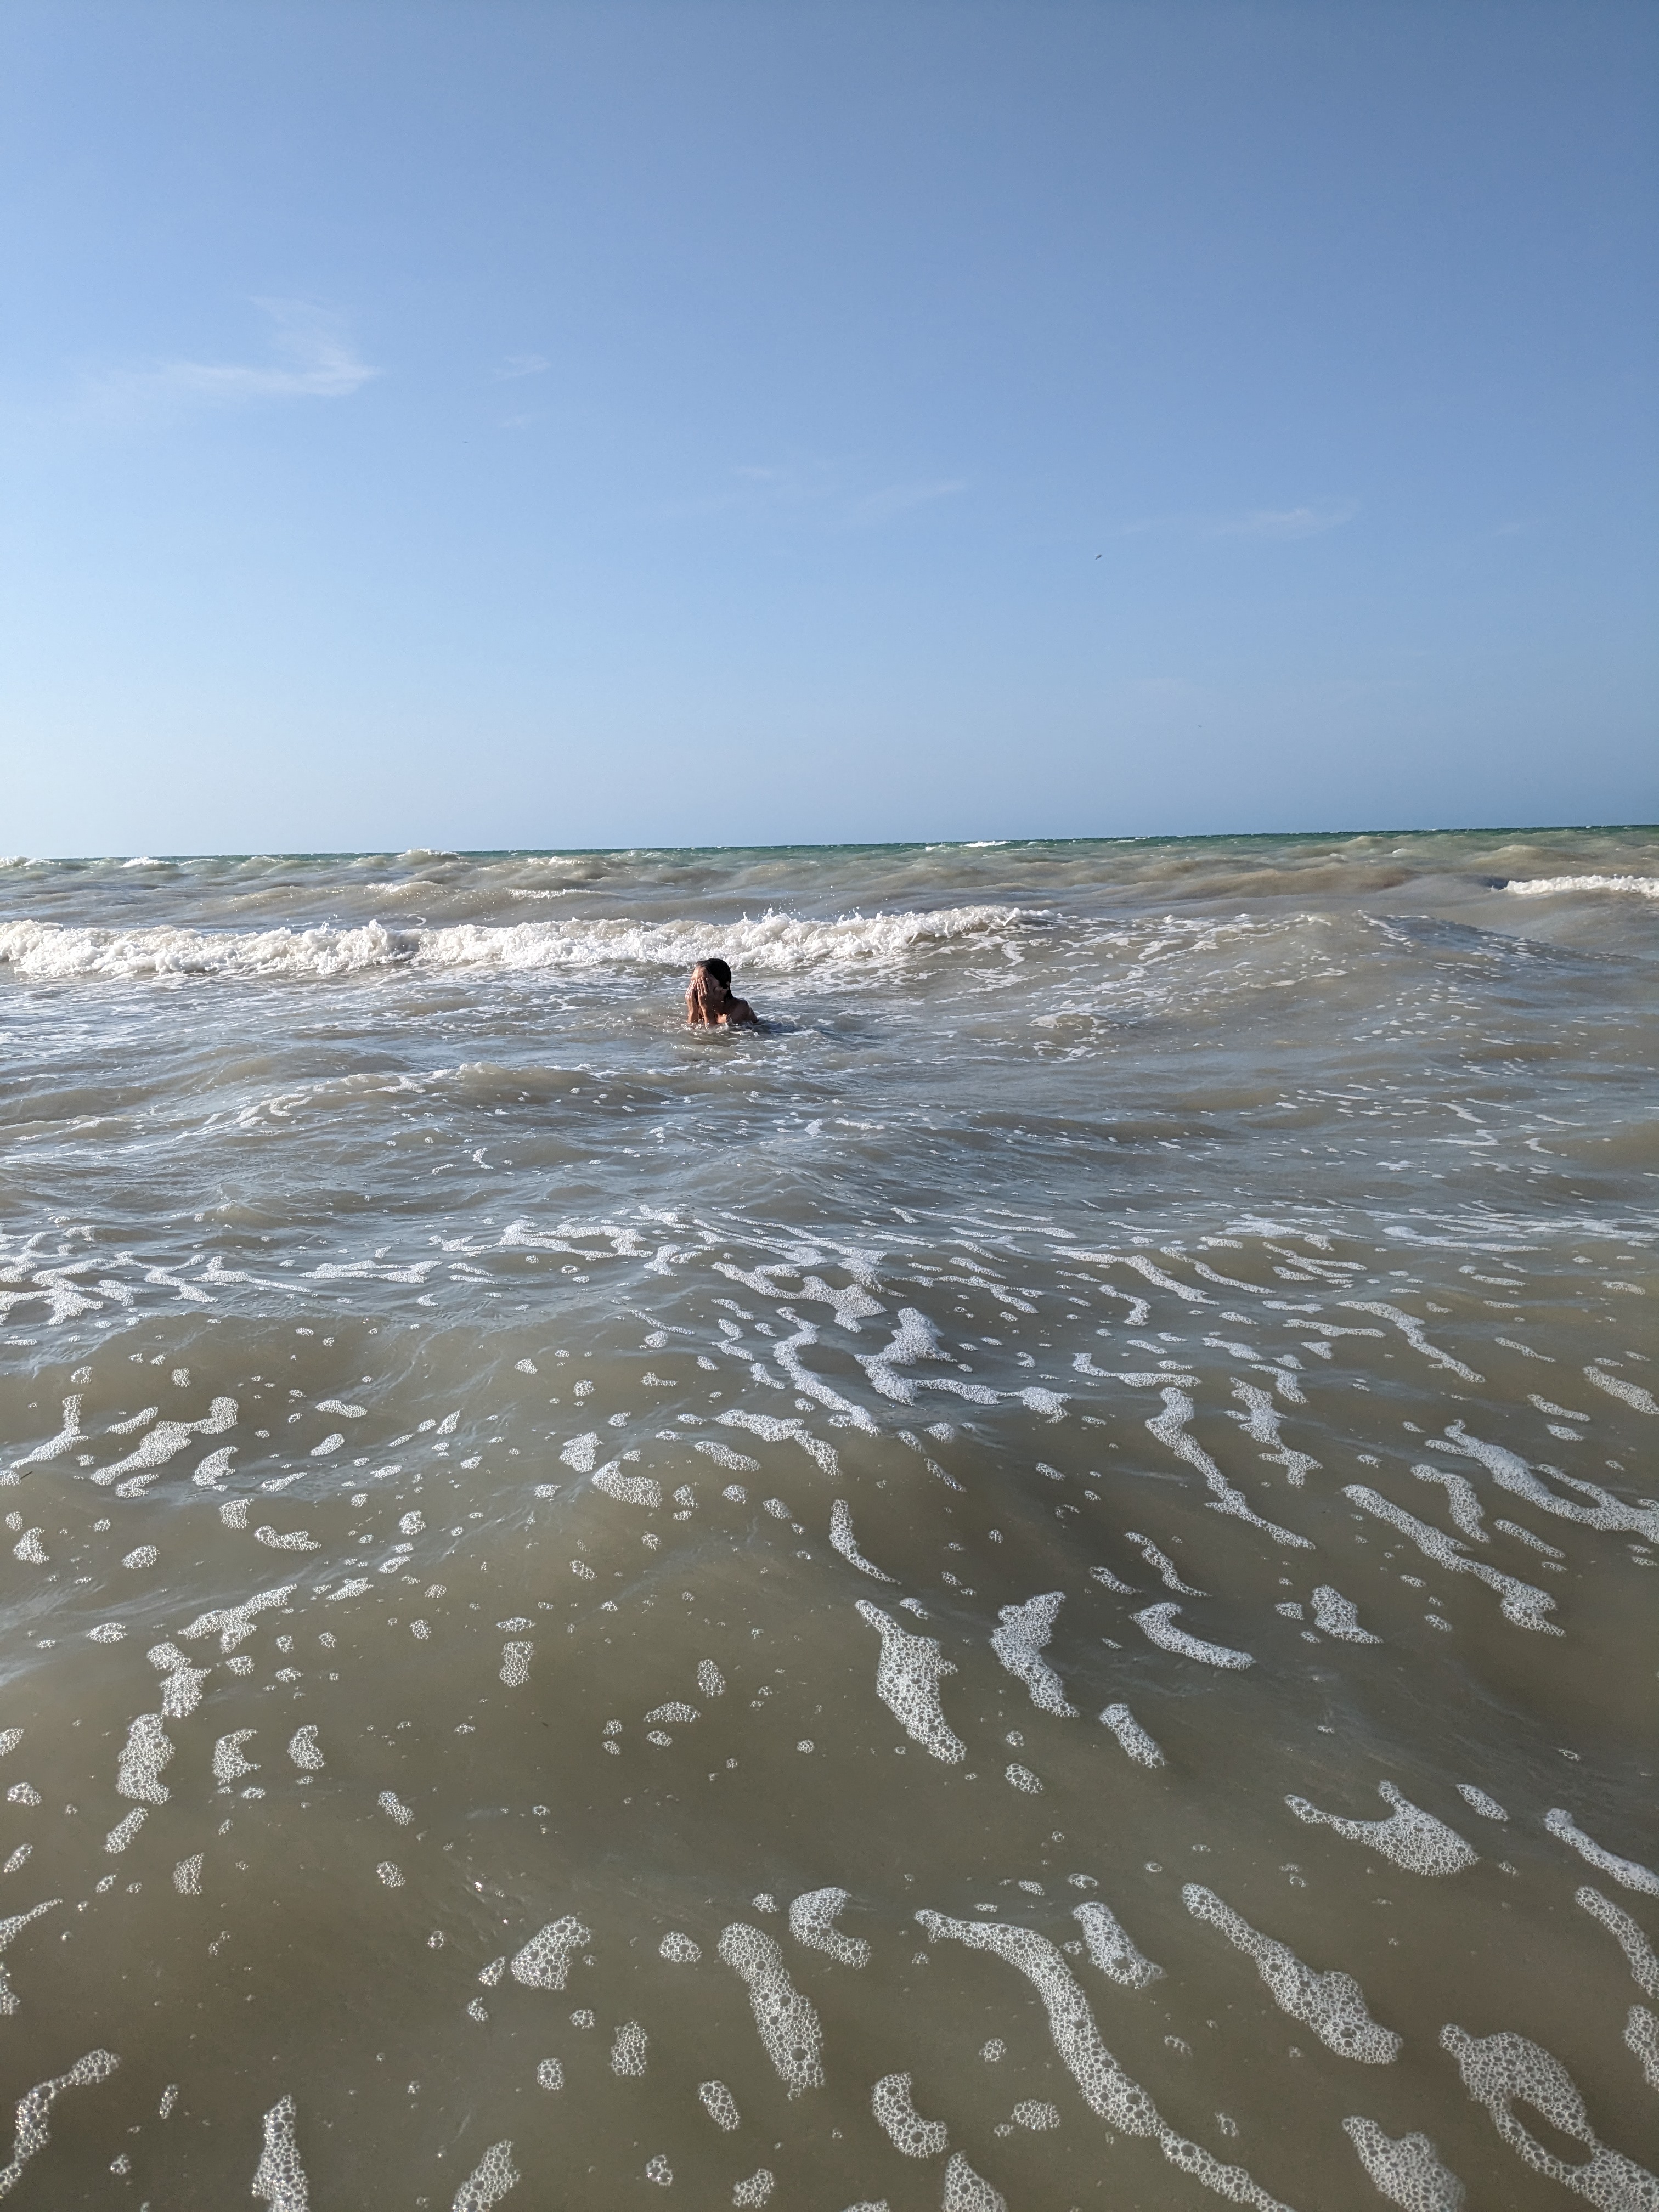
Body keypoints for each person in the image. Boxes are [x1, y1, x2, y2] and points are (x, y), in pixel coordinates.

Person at [685, 957, 757, 1027]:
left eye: (703, 982)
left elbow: (711, 1036)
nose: (696, 987)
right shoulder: (699, 1008)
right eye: (693, 982)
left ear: (725, 987)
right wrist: (692, 1012)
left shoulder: (740, 1008)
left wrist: (707, 1011)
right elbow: (691, 1034)